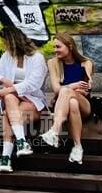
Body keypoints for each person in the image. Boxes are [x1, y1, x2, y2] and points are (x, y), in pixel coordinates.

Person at [0, 26, 47, 173]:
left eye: (5, 42)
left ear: (13, 41)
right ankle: (21, 142)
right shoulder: (7, 56)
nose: (4, 46)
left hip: (32, 100)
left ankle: (5, 158)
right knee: (10, 98)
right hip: (14, 99)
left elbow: (33, 84)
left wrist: (7, 89)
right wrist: (8, 85)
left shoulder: (37, 58)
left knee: (8, 115)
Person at [41, 32, 95, 165]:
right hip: (66, 104)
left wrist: (69, 88)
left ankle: (54, 130)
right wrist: (74, 86)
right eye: (54, 47)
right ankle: (77, 147)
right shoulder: (53, 63)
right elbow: (55, 89)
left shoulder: (85, 63)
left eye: (58, 47)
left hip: (85, 105)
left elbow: (85, 90)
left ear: (70, 46)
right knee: (72, 103)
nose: (55, 50)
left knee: (67, 92)